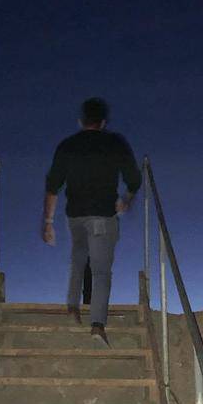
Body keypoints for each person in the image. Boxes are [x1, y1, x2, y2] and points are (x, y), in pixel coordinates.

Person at [42, 97, 142, 346]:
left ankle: (73, 309)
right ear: (104, 122)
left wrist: (48, 221)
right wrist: (126, 198)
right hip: (102, 217)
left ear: (81, 121)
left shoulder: (67, 146)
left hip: (74, 216)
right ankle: (97, 325)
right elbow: (134, 178)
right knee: (100, 272)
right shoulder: (115, 143)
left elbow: (52, 186)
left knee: (78, 260)